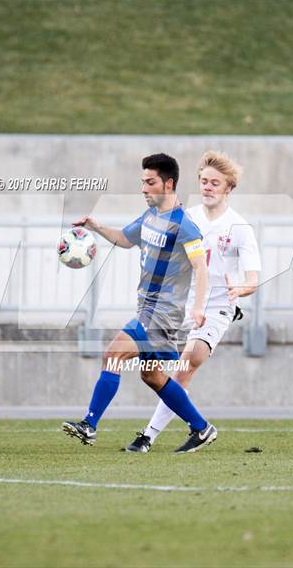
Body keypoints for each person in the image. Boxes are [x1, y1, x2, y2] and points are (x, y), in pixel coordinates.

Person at [63, 153, 217, 453]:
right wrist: (96, 227)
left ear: (168, 183)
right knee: (152, 375)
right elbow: (124, 238)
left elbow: (200, 267)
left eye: (150, 182)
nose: (144, 188)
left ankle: (89, 424)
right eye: (142, 182)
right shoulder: (150, 217)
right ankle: (201, 428)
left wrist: (198, 307)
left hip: (162, 313)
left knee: (113, 355)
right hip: (147, 309)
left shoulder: (184, 226)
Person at [124, 150, 261, 453]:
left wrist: (239, 288)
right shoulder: (187, 217)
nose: (208, 187)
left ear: (228, 188)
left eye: (215, 182)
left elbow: (253, 279)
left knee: (186, 365)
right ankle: (186, 429)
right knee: (150, 372)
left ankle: (149, 436)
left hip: (216, 309)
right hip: (178, 306)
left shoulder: (240, 228)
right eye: (203, 181)